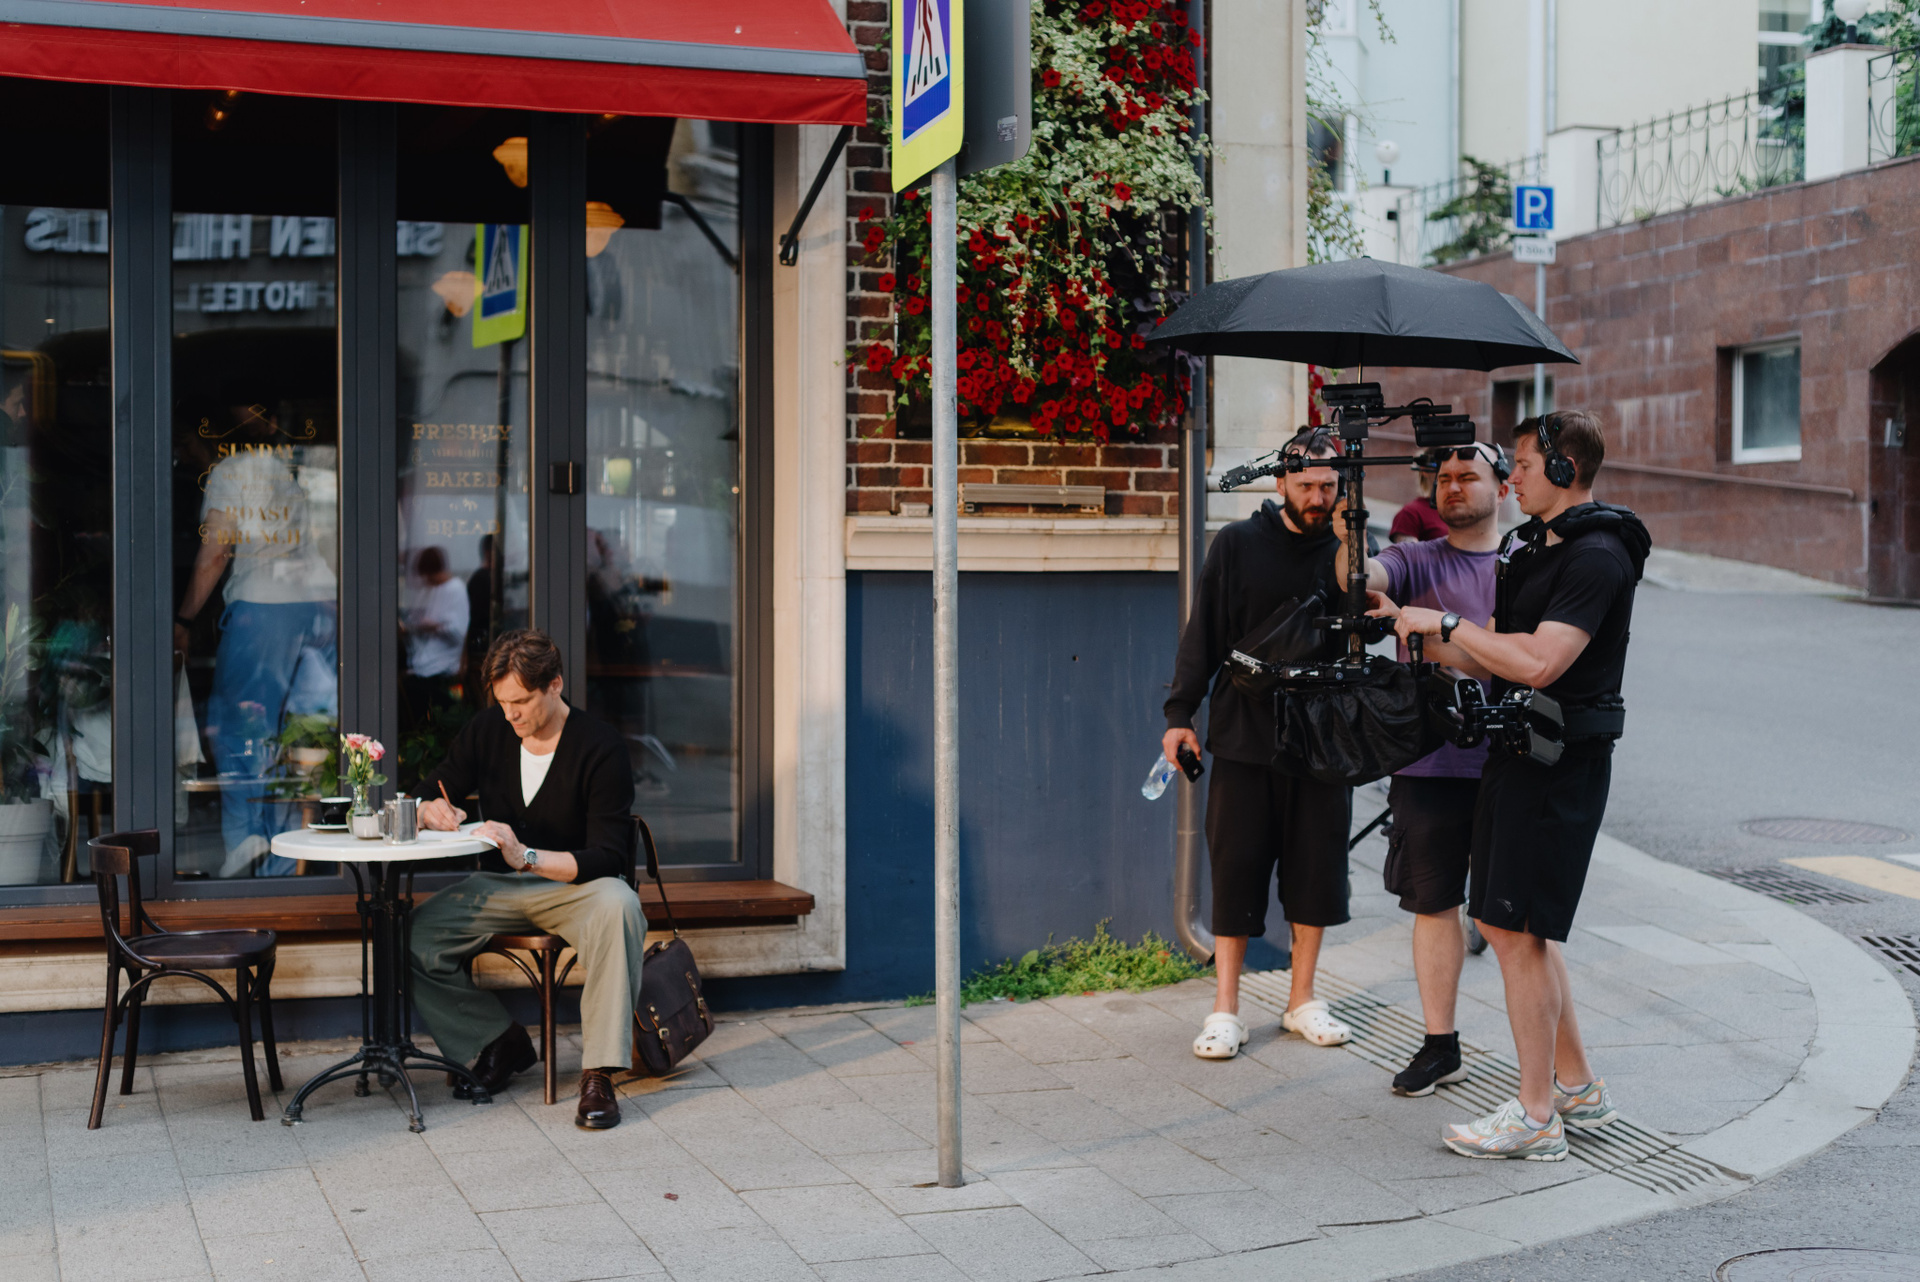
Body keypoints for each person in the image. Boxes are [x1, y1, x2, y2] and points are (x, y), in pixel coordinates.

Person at [1378, 411, 1649, 1161]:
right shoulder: (1532, 547)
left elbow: (1538, 663)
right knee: (1512, 927)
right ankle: (1577, 1088)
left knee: (1517, 932)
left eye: (1523, 465)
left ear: (1564, 469)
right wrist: (1410, 628)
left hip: (1560, 761)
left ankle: (1536, 1117)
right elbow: (1494, 652)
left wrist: (1448, 624)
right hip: (1518, 750)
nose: (1513, 478)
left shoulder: (1598, 555)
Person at [1163, 427, 1356, 1061]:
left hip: (1323, 739)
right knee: (1237, 868)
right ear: (1281, 482)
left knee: (1316, 871)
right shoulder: (1238, 544)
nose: (1318, 498)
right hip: (1245, 734)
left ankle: (1302, 999)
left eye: (1329, 486)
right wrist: (1180, 713)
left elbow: (1371, 626)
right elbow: (1203, 633)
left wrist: (1354, 546)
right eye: (1306, 485)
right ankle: (1226, 1008)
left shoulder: (1350, 545)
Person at [410, 629, 643, 1130]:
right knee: (411, 934)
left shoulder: (601, 745)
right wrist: (431, 810)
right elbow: (430, 790)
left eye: (520, 702)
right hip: (498, 888)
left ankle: (599, 1073)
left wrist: (527, 856)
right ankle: (498, 1040)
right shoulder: (488, 729)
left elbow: (607, 857)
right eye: (502, 702)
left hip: (576, 888)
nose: (510, 714)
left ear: (554, 685)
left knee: (620, 905)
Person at [1334, 443, 1509, 1097]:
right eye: (1443, 478)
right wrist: (1348, 530)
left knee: (1513, 919)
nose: (1453, 486)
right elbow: (1360, 580)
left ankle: (1549, 1057)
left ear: (1503, 488)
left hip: (1509, 761)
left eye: (1469, 476)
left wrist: (1430, 638)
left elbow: (1509, 656)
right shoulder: (1415, 558)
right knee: (1435, 905)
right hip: (1428, 761)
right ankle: (1441, 1045)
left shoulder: (1522, 563)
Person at [174, 401, 338, 878]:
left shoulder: (231, 472)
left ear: (212, 437)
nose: (183, 456)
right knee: (298, 732)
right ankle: (283, 860)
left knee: (239, 728)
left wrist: (184, 618)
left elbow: (216, 551)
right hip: (317, 606)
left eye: (186, 444)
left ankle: (246, 838)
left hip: (263, 609)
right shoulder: (290, 470)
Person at [1389, 454, 1451, 543]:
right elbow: (1407, 550)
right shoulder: (1410, 513)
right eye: (1442, 468)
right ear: (1425, 470)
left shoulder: (1463, 511)